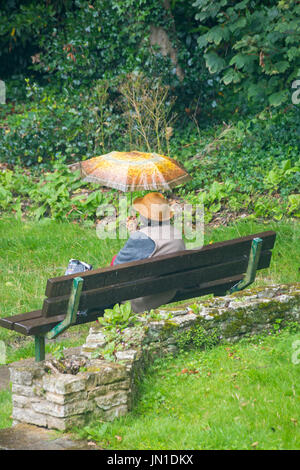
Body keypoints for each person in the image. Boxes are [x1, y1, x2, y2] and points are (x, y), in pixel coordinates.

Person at [111, 192, 186, 313]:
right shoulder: (175, 233)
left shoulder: (142, 238)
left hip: (143, 297)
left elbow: (117, 267)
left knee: (114, 261)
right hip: (168, 291)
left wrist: (136, 235)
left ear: (146, 217)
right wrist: (137, 233)